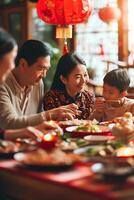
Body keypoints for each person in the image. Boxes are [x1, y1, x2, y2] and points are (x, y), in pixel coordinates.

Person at [0, 39, 79, 130]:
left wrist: (57, 119)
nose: (44, 75)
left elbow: (38, 117)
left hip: (30, 142)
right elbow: (9, 123)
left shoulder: (38, 84)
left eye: (46, 69)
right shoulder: (2, 84)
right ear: (23, 64)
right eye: (41, 69)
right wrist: (49, 115)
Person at [43, 52, 95, 119]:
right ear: (63, 79)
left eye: (85, 75)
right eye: (78, 77)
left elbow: (91, 126)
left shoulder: (89, 97)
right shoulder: (51, 98)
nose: (83, 80)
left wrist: (97, 113)